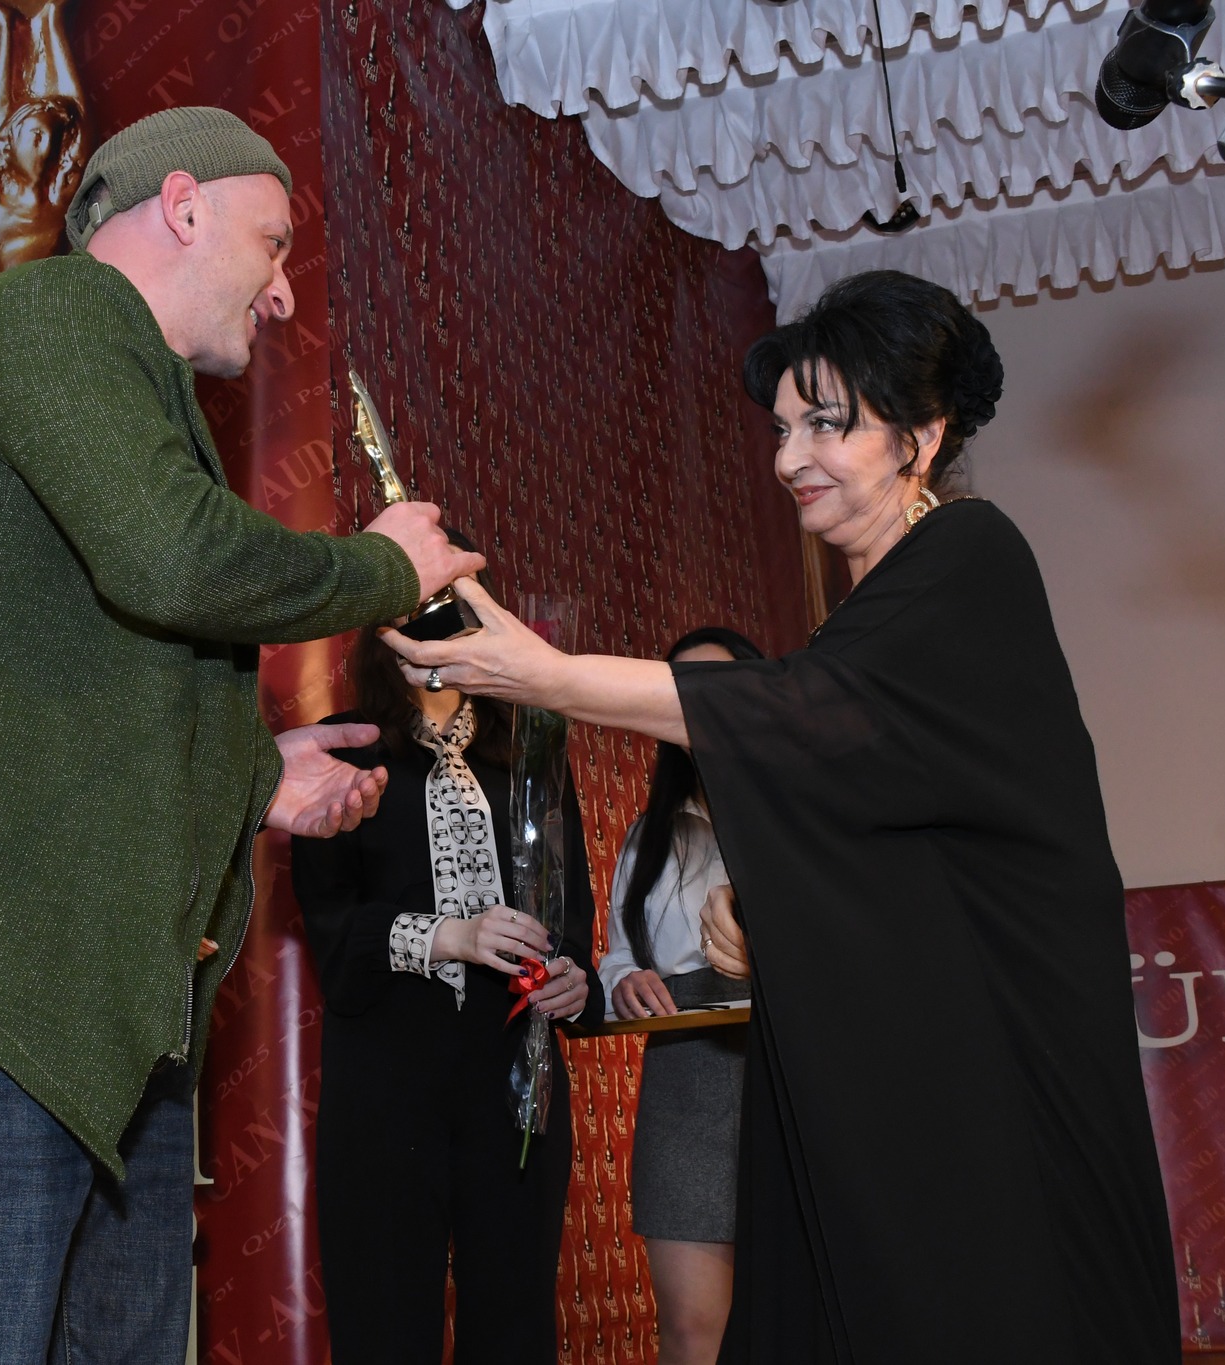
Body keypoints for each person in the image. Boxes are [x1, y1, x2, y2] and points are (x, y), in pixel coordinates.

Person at [0, 107, 485, 1365]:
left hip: (90, 1019)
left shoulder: (125, 388)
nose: (281, 292)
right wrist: (380, 568)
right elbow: (174, 562)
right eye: (272, 243)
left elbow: (91, 664)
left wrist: (252, 778)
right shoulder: (55, 314)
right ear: (184, 206)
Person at [381, 271, 1180, 1364]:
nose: (787, 458)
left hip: (994, 1079)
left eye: (825, 424)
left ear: (919, 438)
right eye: (781, 428)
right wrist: (759, 908)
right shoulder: (869, 615)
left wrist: (548, 674)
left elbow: (804, 716)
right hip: (905, 1083)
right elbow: (869, 805)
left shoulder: (969, 556)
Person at [291, 562, 603, 1365]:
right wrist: (452, 936)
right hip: (386, 1083)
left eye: (454, 605)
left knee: (515, 1323)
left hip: (515, 1081)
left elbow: (570, 920)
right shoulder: (345, 748)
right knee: (384, 1323)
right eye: (418, 605)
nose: (435, 626)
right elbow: (334, 939)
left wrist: (574, 981)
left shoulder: (532, 750)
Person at [598, 626, 762, 1365]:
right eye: (680, 689)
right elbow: (619, 957)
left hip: (787, 1066)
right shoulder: (652, 835)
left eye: (716, 684)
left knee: (801, 1308)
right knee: (696, 1329)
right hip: (687, 1077)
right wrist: (624, 980)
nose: (697, 702)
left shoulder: (804, 811)